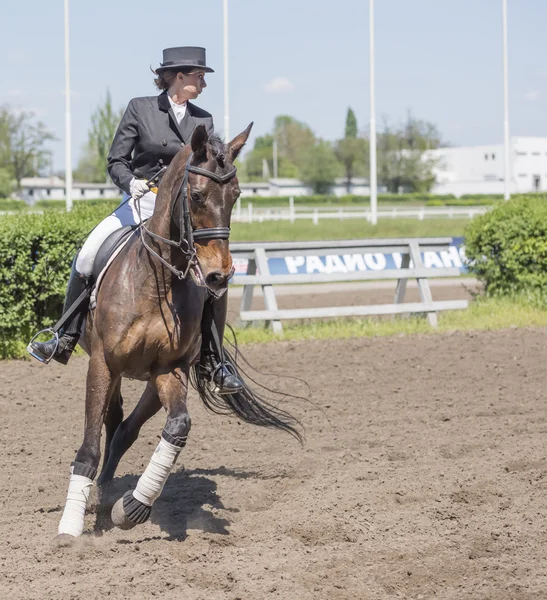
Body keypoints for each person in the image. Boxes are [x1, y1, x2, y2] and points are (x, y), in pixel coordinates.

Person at [27, 46, 243, 394]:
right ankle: (63, 335)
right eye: (199, 77)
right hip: (141, 201)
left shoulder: (203, 120)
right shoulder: (140, 108)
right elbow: (116, 160)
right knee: (87, 253)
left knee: (213, 273)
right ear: (178, 77)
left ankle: (213, 360)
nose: (203, 84)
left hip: (182, 214)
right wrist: (131, 182)